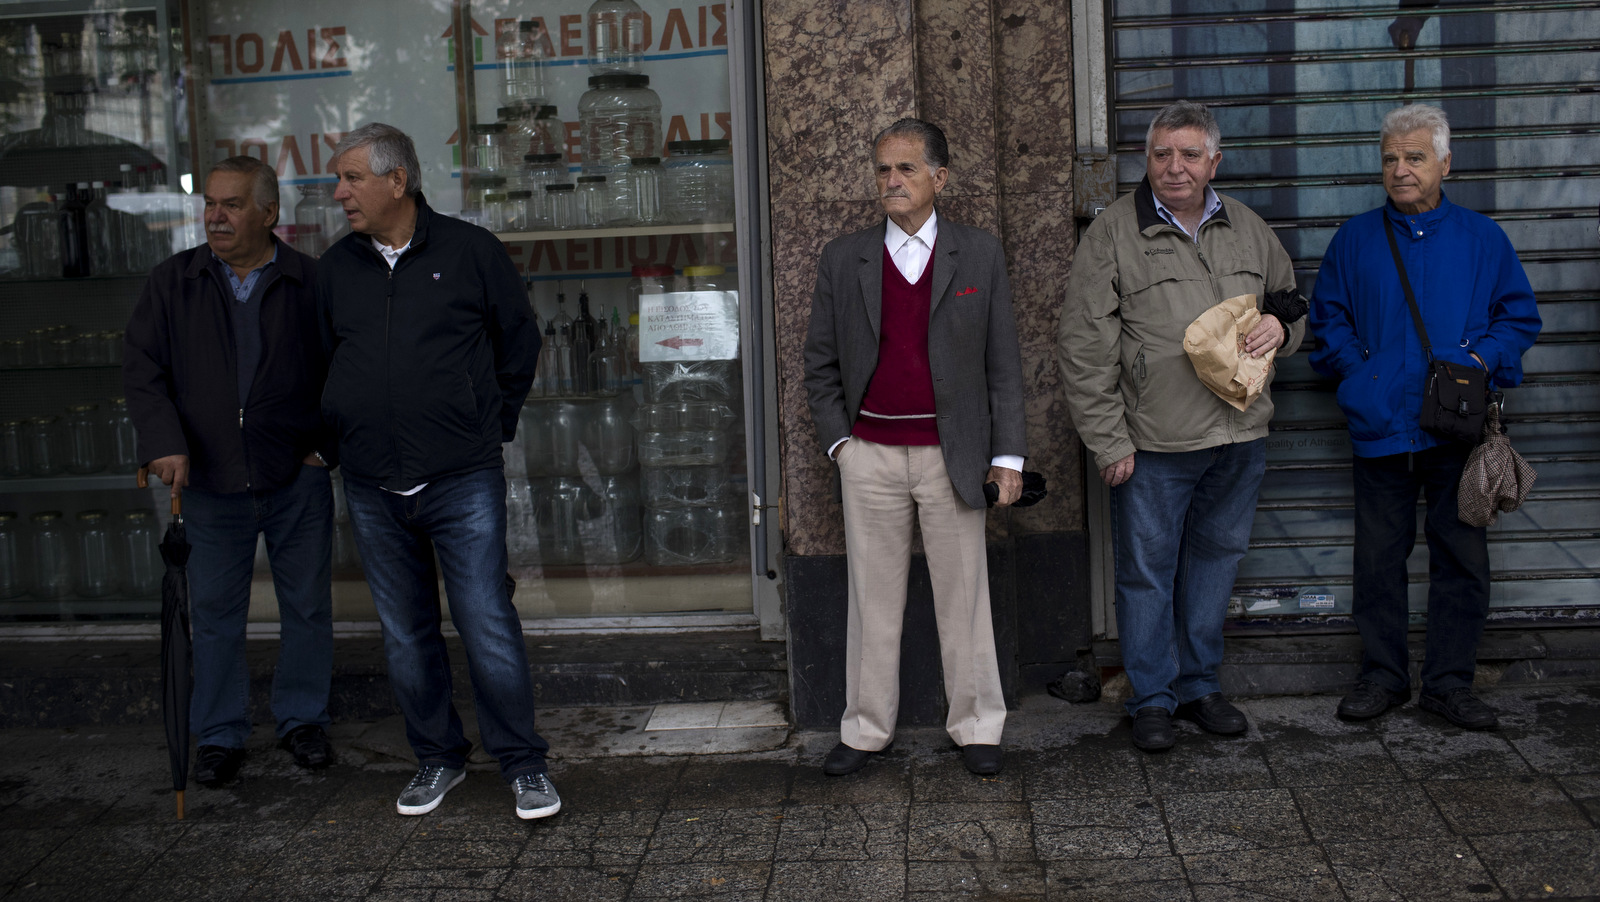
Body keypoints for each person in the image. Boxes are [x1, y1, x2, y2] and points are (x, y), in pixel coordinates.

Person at [318, 124, 556, 819]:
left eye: (352, 178)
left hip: (460, 477)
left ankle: (523, 764)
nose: (340, 193)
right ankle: (437, 758)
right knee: (405, 631)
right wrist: (330, 438)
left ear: (398, 181)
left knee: (485, 619)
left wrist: (490, 426)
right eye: (339, 179)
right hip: (370, 480)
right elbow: (319, 362)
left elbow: (519, 343)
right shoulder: (336, 270)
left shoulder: (470, 251)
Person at [1057, 101, 1306, 752]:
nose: (1175, 166)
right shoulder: (1112, 233)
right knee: (1147, 574)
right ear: (1147, 159)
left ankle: (1199, 687)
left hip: (1239, 437)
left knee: (1216, 563)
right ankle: (1152, 700)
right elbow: (1083, 348)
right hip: (1155, 445)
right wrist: (1108, 440)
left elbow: (1292, 304)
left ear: (1214, 162)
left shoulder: (1249, 229)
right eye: (1163, 153)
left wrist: (1285, 327)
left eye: (1190, 154)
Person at [803, 118, 1027, 777]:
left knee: (965, 596)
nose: (891, 181)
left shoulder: (977, 254)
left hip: (949, 454)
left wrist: (1007, 457)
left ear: (940, 178)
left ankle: (978, 728)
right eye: (882, 170)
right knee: (872, 600)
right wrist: (841, 444)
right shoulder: (846, 259)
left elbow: (1004, 365)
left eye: (905, 169)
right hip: (869, 453)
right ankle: (866, 730)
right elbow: (819, 364)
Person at [1309, 104, 1541, 730]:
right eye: (1390, 159)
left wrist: (1476, 359)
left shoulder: (1482, 238)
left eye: (1414, 157)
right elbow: (1327, 320)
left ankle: (1447, 684)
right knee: (1379, 558)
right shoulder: (1355, 239)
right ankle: (1383, 677)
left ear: (1445, 161)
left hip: (1455, 429)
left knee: (1461, 557)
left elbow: (1518, 319)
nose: (1401, 170)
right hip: (1381, 424)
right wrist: (1360, 375)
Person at [124, 156, 334, 785]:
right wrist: (162, 442)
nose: (215, 216)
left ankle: (303, 722)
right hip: (209, 483)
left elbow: (347, 370)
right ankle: (219, 734)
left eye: (232, 204)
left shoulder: (311, 282)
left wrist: (325, 448)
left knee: (306, 607)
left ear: (269, 214)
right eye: (210, 204)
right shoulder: (172, 282)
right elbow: (142, 372)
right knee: (214, 614)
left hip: (296, 478)